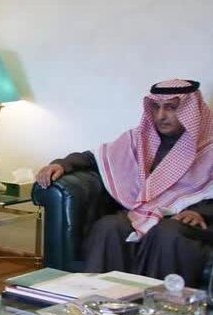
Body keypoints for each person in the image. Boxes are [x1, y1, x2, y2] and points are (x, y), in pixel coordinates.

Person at [35, 79, 213, 287]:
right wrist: (62, 164)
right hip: (144, 211)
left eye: (171, 108)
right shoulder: (141, 138)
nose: (161, 116)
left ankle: (156, 302)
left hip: (192, 219)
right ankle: (99, 297)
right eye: (156, 107)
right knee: (109, 227)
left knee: (167, 234)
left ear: (191, 110)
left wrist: (201, 213)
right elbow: (96, 157)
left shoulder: (209, 145)